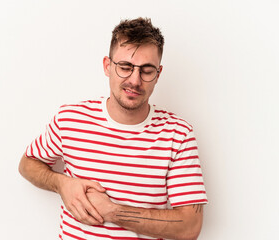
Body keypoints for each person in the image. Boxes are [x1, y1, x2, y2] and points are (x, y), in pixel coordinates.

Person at [19, 17, 208, 240]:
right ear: (107, 67)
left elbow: (190, 227)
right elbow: (27, 164)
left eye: (147, 70)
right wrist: (62, 183)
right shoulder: (70, 118)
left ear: (158, 74)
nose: (135, 80)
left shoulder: (178, 134)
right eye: (125, 67)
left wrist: (113, 211)